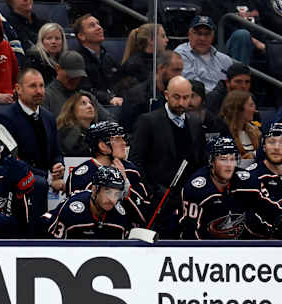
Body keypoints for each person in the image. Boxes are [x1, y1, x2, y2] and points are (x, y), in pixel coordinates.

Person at [129, 76, 207, 238]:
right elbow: (136, 162)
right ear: (166, 95)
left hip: (187, 202)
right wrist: (150, 192)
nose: (181, 102)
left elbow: (200, 162)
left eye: (186, 97)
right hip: (157, 201)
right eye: (176, 97)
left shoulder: (195, 124)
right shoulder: (148, 122)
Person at [0, 68, 65, 214]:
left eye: (41, 86)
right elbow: (9, 161)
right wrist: (48, 177)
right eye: (33, 86)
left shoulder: (49, 117)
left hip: (42, 185)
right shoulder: (5, 118)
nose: (39, 91)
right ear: (18, 89)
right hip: (17, 189)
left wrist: (58, 165)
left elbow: (56, 152)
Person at [67, 121, 150, 227]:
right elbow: (76, 213)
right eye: (118, 139)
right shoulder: (83, 175)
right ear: (103, 146)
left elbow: (144, 215)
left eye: (123, 138)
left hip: (125, 234)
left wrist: (126, 185)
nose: (124, 143)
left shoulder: (131, 170)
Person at [179, 137, 253, 239]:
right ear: (212, 161)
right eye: (223, 159)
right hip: (205, 248)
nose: (229, 165)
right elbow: (190, 232)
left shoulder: (246, 181)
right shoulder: (197, 189)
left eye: (232, 159)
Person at [38, 166, 132, 239]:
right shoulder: (71, 212)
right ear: (94, 190)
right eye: (107, 191)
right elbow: (53, 249)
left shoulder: (120, 217)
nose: (112, 199)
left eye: (116, 194)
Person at [120, 50, 183, 132]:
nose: (179, 75)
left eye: (181, 71)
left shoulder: (180, 95)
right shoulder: (136, 95)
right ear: (161, 68)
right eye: (176, 70)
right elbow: (129, 130)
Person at [73, 14, 125, 106]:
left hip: (115, 102)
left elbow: (123, 81)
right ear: (81, 36)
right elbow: (84, 90)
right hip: (93, 106)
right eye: (92, 25)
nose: (99, 28)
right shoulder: (77, 59)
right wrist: (109, 98)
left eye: (98, 24)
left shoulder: (108, 57)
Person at [243, 122, 282, 239]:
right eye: (271, 142)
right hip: (258, 246)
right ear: (264, 146)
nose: (276, 147)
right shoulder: (250, 176)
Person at [174, 16, 233, 92]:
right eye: (198, 33)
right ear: (189, 34)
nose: (202, 38)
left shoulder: (225, 60)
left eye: (207, 34)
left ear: (213, 36)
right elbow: (191, 86)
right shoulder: (180, 54)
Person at [120, 23, 168, 89]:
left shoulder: (163, 60)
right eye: (163, 36)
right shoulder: (133, 65)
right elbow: (134, 93)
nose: (167, 40)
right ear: (150, 40)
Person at [219, 90, 260, 159]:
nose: (254, 110)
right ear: (238, 109)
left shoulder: (255, 131)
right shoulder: (222, 133)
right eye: (251, 105)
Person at [56, 91, 97, 157]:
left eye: (91, 103)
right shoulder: (68, 130)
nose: (90, 106)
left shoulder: (95, 131)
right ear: (72, 109)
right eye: (83, 103)